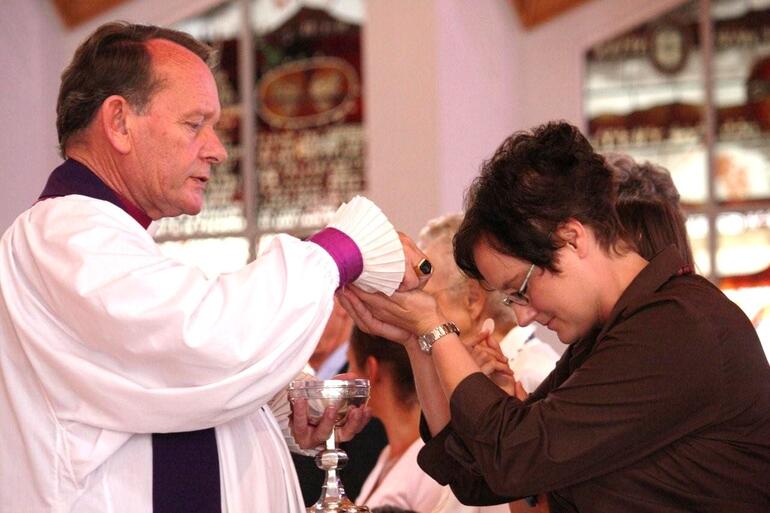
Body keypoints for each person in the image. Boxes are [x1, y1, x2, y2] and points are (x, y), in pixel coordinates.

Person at [0, 21, 430, 513]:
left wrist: (283, 406)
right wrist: (343, 249)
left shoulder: (103, 237)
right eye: (193, 124)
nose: (217, 149)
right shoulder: (65, 235)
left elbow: (167, 382)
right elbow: (198, 340)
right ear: (119, 121)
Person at [341, 121, 770, 512]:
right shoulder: (605, 334)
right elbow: (480, 480)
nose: (524, 317)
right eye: (511, 300)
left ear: (572, 238)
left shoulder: (678, 326)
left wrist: (435, 328)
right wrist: (418, 340)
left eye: (521, 289)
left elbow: (515, 458)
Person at [348, 328, 445, 512]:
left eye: (351, 365)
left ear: (371, 370)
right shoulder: (388, 454)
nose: (347, 376)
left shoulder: (431, 463)